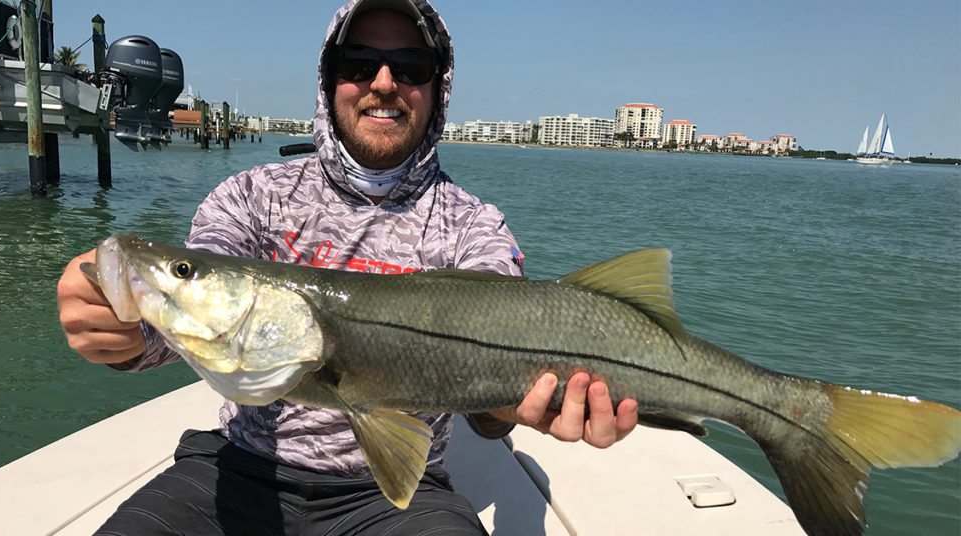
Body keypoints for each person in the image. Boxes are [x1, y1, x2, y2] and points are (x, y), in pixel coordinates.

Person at [56, 1, 638, 534]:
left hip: (399, 502)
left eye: (410, 66)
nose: (384, 83)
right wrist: (120, 323)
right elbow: (176, 333)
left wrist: (516, 405)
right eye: (359, 62)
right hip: (236, 468)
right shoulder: (251, 197)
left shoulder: (473, 227)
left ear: (438, 88)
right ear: (329, 79)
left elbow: (490, 401)